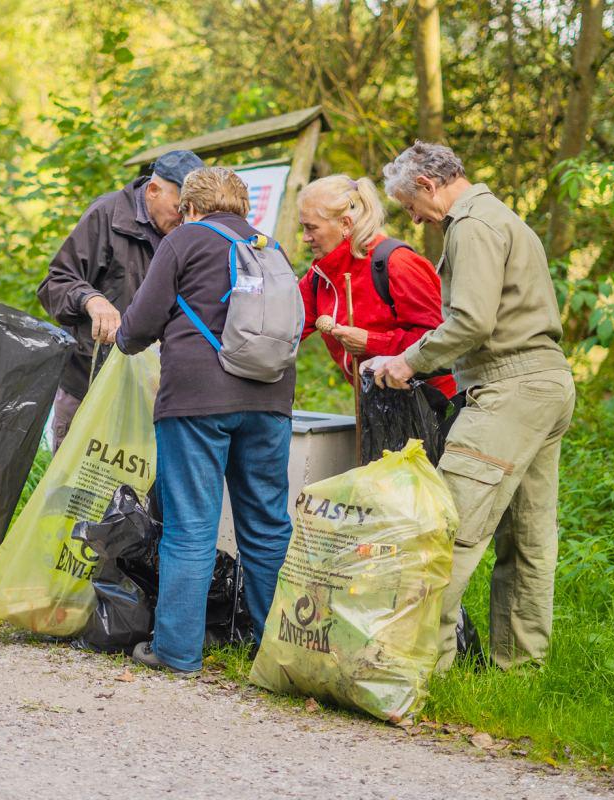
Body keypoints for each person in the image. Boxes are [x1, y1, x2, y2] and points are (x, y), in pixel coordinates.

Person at [366, 141, 576, 672]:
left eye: (410, 203)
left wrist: (408, 360)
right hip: (546, 384)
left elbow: (473, 321)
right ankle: (521, 672)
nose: (412, 217)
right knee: (528, 540)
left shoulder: (472, 225)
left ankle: (418, 671)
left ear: (429, 185)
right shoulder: (501, 216)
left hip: (509, 392)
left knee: (447, 528)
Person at [116, 167, 295, 675]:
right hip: (270, 401)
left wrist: (125, 338)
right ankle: (276, 649)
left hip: (196, 401)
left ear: (190, 207)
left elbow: (139, 325)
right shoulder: (271, 246)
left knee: (191, 525)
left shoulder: (184, 241)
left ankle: (176, 650)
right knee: (265, 525)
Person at [37, 149, 205, 450]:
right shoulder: (107, 213)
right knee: (75, 492)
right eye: (180, 207)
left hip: (153, 394)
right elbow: (55, 283)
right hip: (88, 385)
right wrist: (91, 299)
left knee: (138, 493)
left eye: (192, 209)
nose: (185, 218)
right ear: (153, 190)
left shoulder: (191, 231)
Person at [296, 174, 456, 403]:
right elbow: (286, 329)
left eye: (311, 228)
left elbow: (442, 339)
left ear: (345, 224)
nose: (305, 238)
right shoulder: (320, 276)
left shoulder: (397, 263)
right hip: (378, 402)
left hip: (436, 402)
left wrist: (371, 342)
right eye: (303, 227)